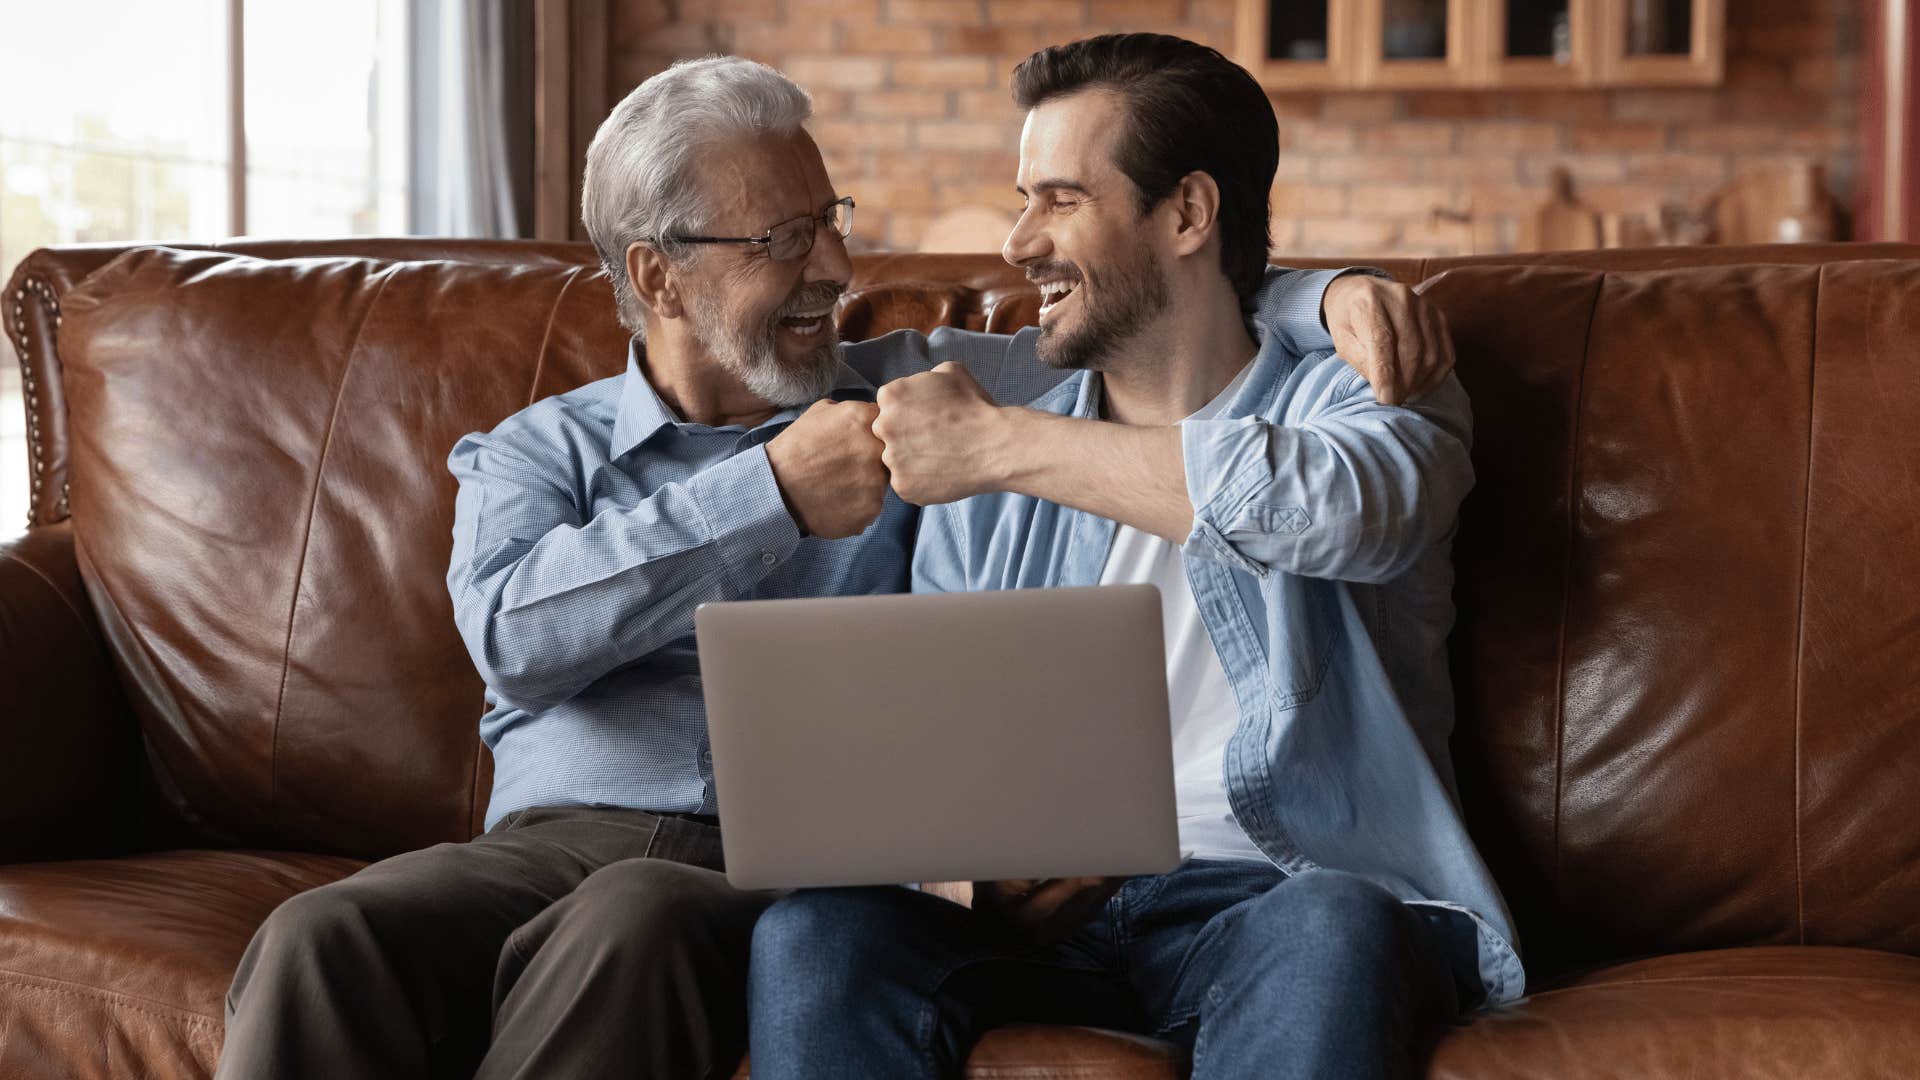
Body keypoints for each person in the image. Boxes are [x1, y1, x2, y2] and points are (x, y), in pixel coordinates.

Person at [213, 54, 1455, 1080]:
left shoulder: (939, 404)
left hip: (783, 862)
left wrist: (1327, 292)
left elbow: (1179, 321)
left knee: (650, 920)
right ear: (658, 275)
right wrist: (768, 496)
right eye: (780, 241)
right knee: (320, 936)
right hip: (561, 836)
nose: (832, 272)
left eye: (829, 224)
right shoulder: (545, 451)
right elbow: (516, 637)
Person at [747, 34, 1523, 1080]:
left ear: (1189, 214)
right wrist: (971, 875)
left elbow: (1347, 509)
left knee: (1337, 923)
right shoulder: (992, 414)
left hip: (1277, 897)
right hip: (1052, 927)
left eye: (1061, 200)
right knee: (817, 936)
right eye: (1022, 198)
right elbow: (943, 752)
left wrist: (1004, 447)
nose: (1019, 243)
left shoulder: (1370, 390)